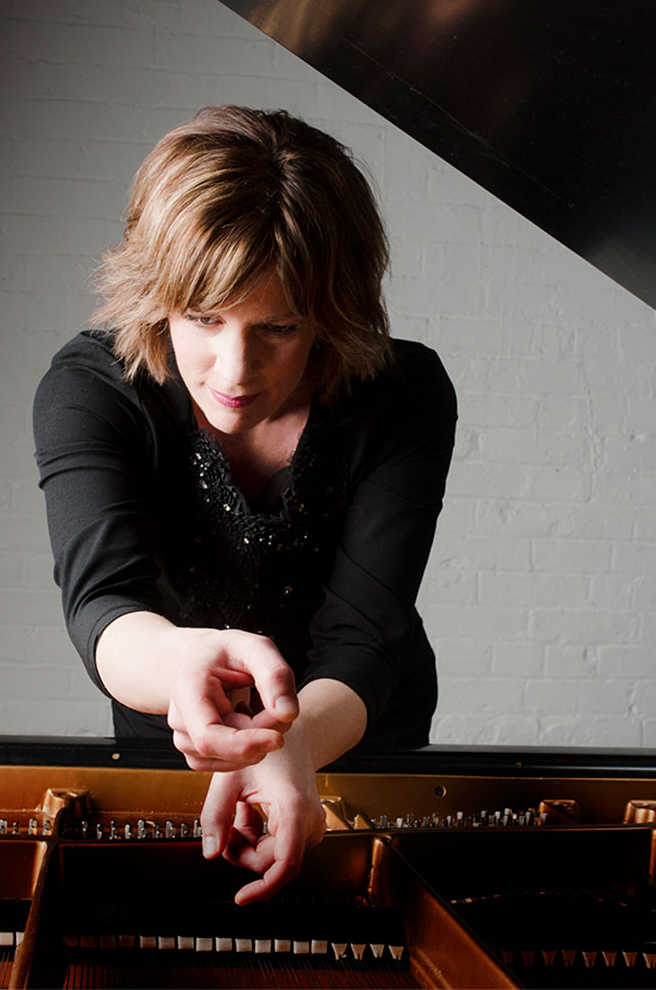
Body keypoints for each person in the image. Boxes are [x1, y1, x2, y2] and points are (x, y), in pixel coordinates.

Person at [33, 106, 456, 905]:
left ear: (329, 316)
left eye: (280, 326)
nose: (235, 367)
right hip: (182, 731)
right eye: (203, 318)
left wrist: (290, 747)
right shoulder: (91, 390)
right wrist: (183, 666)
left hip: (353, 728)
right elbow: (105, 602)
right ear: (158, 295)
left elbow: (366, 629)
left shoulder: (403, 395)